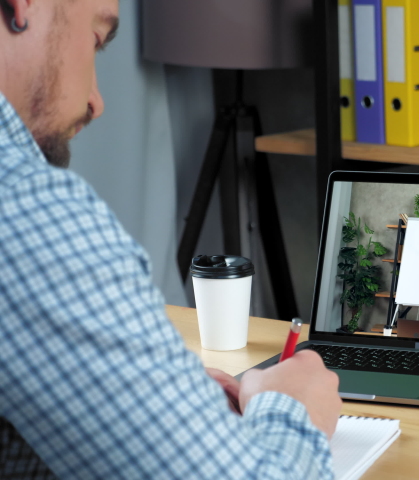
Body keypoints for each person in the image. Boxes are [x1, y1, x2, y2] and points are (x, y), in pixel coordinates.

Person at [0, 1, 341, 478]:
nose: (96, 102)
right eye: (96, 40)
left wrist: (151, 396)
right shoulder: (28, 209)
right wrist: (292, 407)